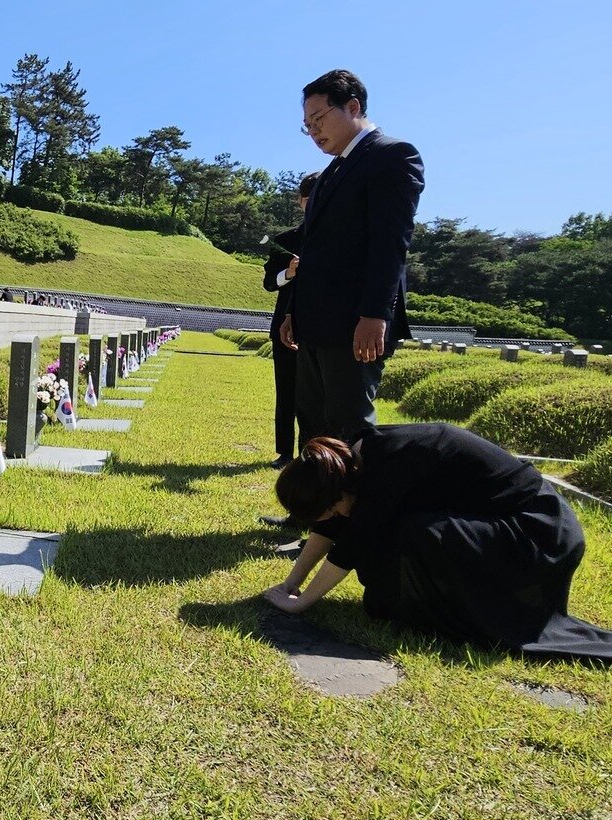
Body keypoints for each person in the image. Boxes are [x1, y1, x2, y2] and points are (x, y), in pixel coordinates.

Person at [264, 425, 612, 661]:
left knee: (412, 532)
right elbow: (332, 527)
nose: (329, 519)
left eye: (326, 510)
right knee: (396, 530)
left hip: (536, 535)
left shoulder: (389, 468)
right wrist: (291, 583)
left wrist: (302, 602)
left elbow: (351, 543)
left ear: (335, 494)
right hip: (501, 525)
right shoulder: (348, 467)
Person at [280, 69, 424, 440]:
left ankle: (361, 498)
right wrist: (295, 311)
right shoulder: (330, 173)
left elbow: (390, 243)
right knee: (314, 424)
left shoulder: (391, 156)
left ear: (353, 106)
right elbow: (312, 250)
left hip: (355, 323)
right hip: (314, 321)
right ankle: (322, 498)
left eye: (319, 120)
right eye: (307, 125)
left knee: (349, 428)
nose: (313, 132)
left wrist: (375, 314)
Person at [262, 170, 321, 469]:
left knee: (316, 397)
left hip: (321, 326)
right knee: (286, 391)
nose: (312, 205)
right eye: (308, 200)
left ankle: (313, 454)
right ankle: (285, 452)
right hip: (285, 326)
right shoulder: (285, 240)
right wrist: (289, 273)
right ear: (299, 202)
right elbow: (269, 282)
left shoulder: (335, 238)